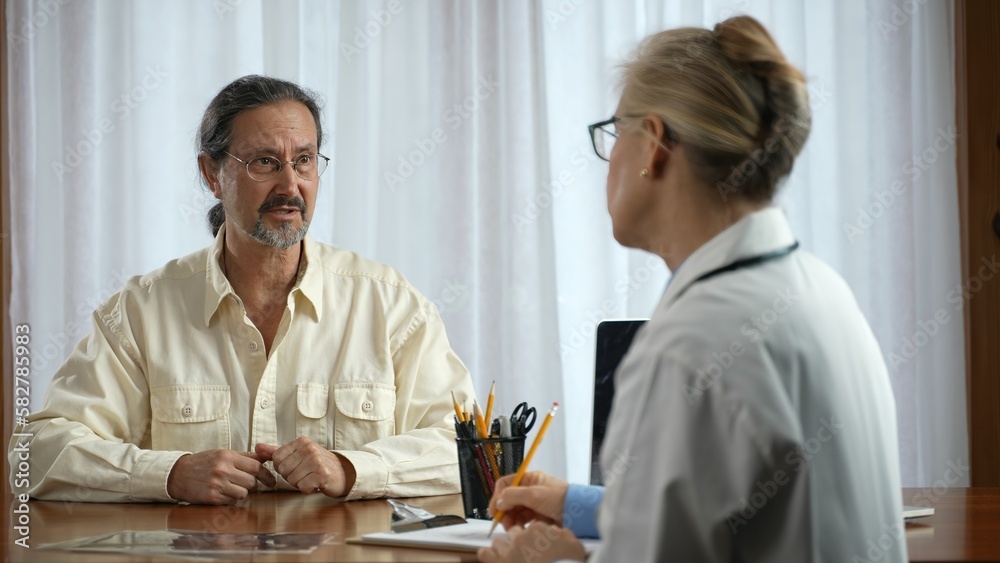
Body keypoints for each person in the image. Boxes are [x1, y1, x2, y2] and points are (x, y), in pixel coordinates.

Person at [479, 16, 905, 563]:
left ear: (653, 145)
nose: (608, 160)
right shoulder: (824, 294)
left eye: (615, 132)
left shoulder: (688, 347)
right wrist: (578, 505)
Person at [9, 75, 476, 505]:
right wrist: (170, 474)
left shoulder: (390, 305)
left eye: (304, 160)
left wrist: (352, 469)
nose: (290, 185)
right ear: (212, 175)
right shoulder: (141, 311)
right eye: (264, 162)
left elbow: (468, 450)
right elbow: (36, 454)